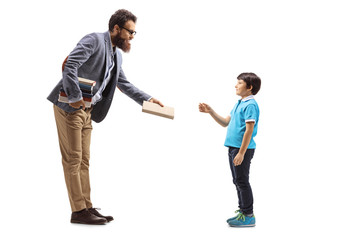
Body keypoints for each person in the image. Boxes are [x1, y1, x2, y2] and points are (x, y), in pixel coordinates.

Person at [47, 9, 163, 225]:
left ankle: (87, 206)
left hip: (88, 110)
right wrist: (74, 97)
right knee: (73, 159)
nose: (131, 37)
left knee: (84, 160)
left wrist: (148, 99)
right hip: (70, 107)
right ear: (116, 28)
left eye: (134, 33)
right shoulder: (93, 40)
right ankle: (78, 211)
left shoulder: (116, 53)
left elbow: (123, 84)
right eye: (130, 32)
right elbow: (70, 65)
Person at [199, 72, 261, 227]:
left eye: (239, 83)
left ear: (250, 87)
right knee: (238, 180)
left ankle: (248, 215)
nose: (236, 85)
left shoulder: (251, 105)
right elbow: (226, 122)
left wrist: (241, 152)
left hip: (242, 150)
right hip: (234, 148)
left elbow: (249, 130)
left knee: (242, 181)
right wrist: (211, 112)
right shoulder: (239, 103)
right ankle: (243, 211)